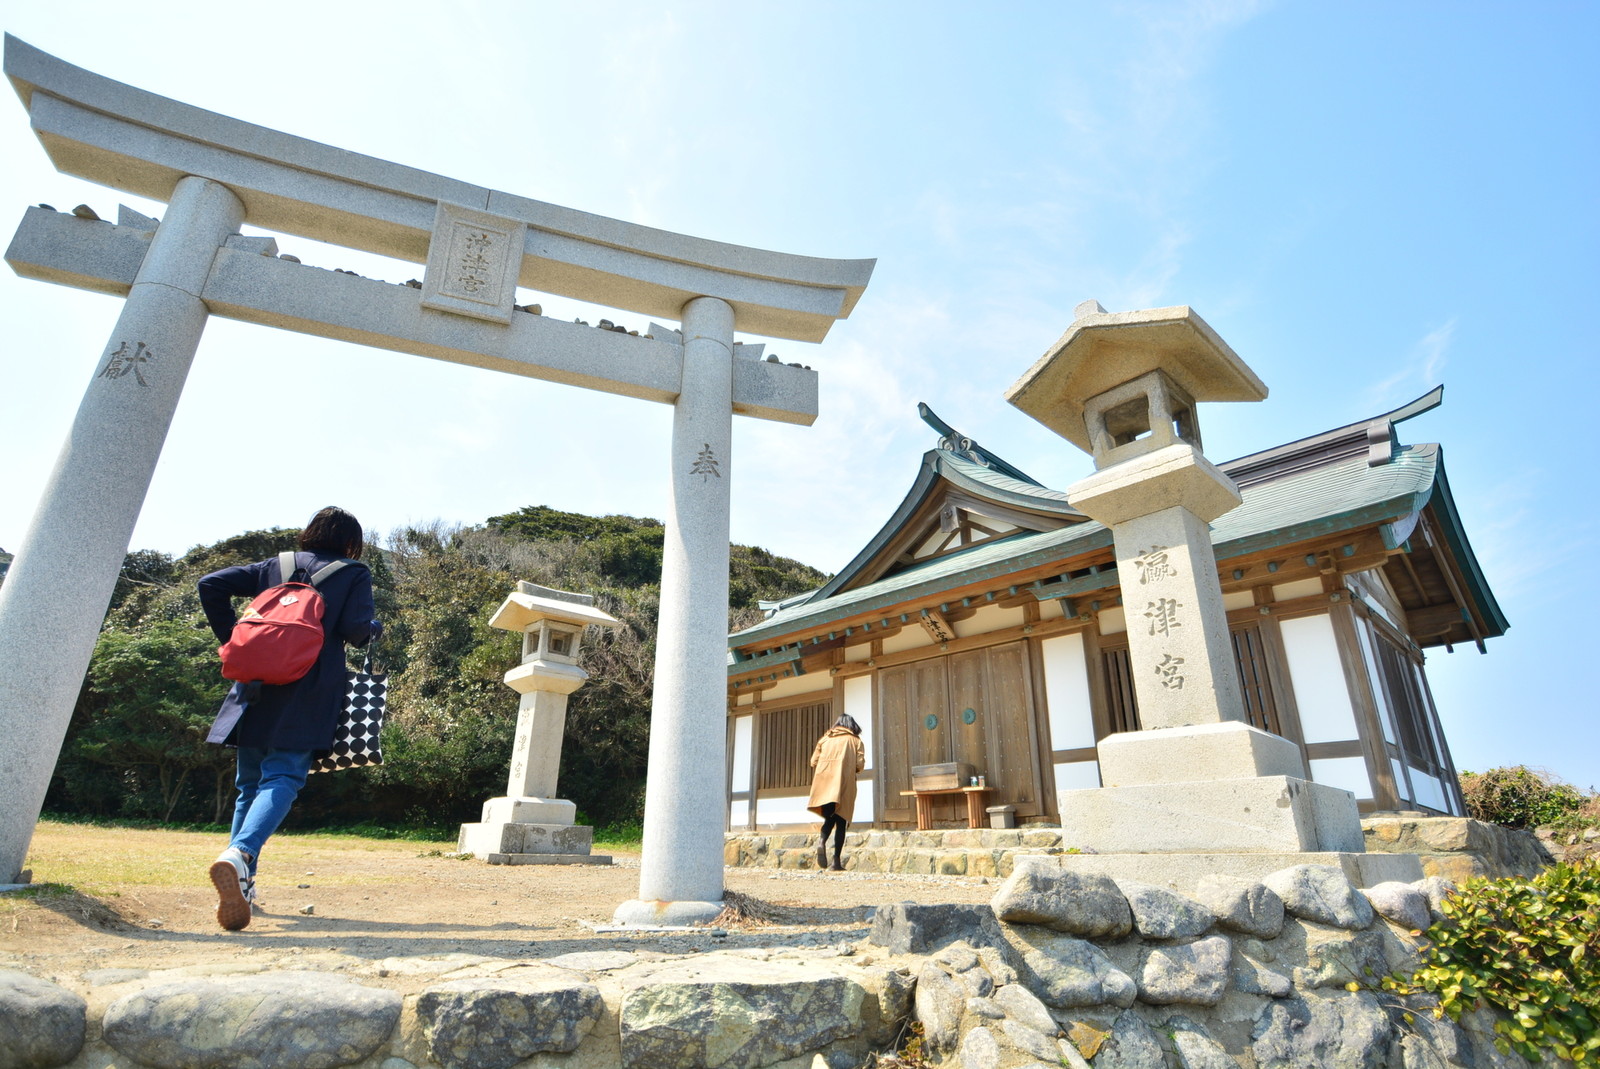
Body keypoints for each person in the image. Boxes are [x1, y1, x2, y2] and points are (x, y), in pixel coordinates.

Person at [198, 506, 381, 931]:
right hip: (309, 686)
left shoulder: (273, 566)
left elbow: (211, 584)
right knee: (283, 776)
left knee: (249, 783)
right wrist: (374, 627)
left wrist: (235, 639)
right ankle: (240, 855)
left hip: (255, 684)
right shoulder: (353, 572)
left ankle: (243, 881)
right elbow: (356, 631)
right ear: (350, 541)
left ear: (311, 533)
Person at [806, 713, 865, 871]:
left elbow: (813, 762)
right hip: (844, 785)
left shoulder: (825, 739)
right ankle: (836, 862)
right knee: (841, 822)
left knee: (829, 817)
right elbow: (860, 764)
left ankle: (821, 842)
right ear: (852, 725)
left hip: (824, 784)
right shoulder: (855, 741)